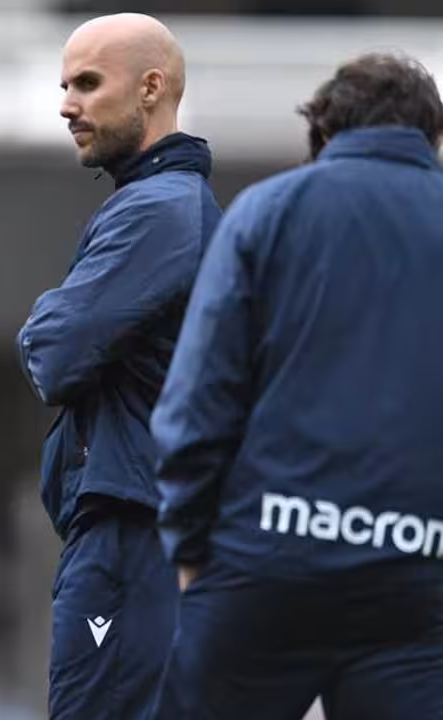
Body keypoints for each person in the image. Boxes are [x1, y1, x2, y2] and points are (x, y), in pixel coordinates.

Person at [150, 51, 443, 720]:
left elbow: (197, 400)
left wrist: (191, 546)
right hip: (417, 576)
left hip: (267, 558)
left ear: (322, 136)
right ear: (433, 138)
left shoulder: (268, 211)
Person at [14, 13, 221, 720]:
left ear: (152, 88)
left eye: (89, 83)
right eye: (65, 84)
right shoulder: (153, 202)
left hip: (133, 533)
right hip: (132, 528)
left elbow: (54, 353)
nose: (67, 103)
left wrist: (46, 314)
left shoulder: (160, 211)